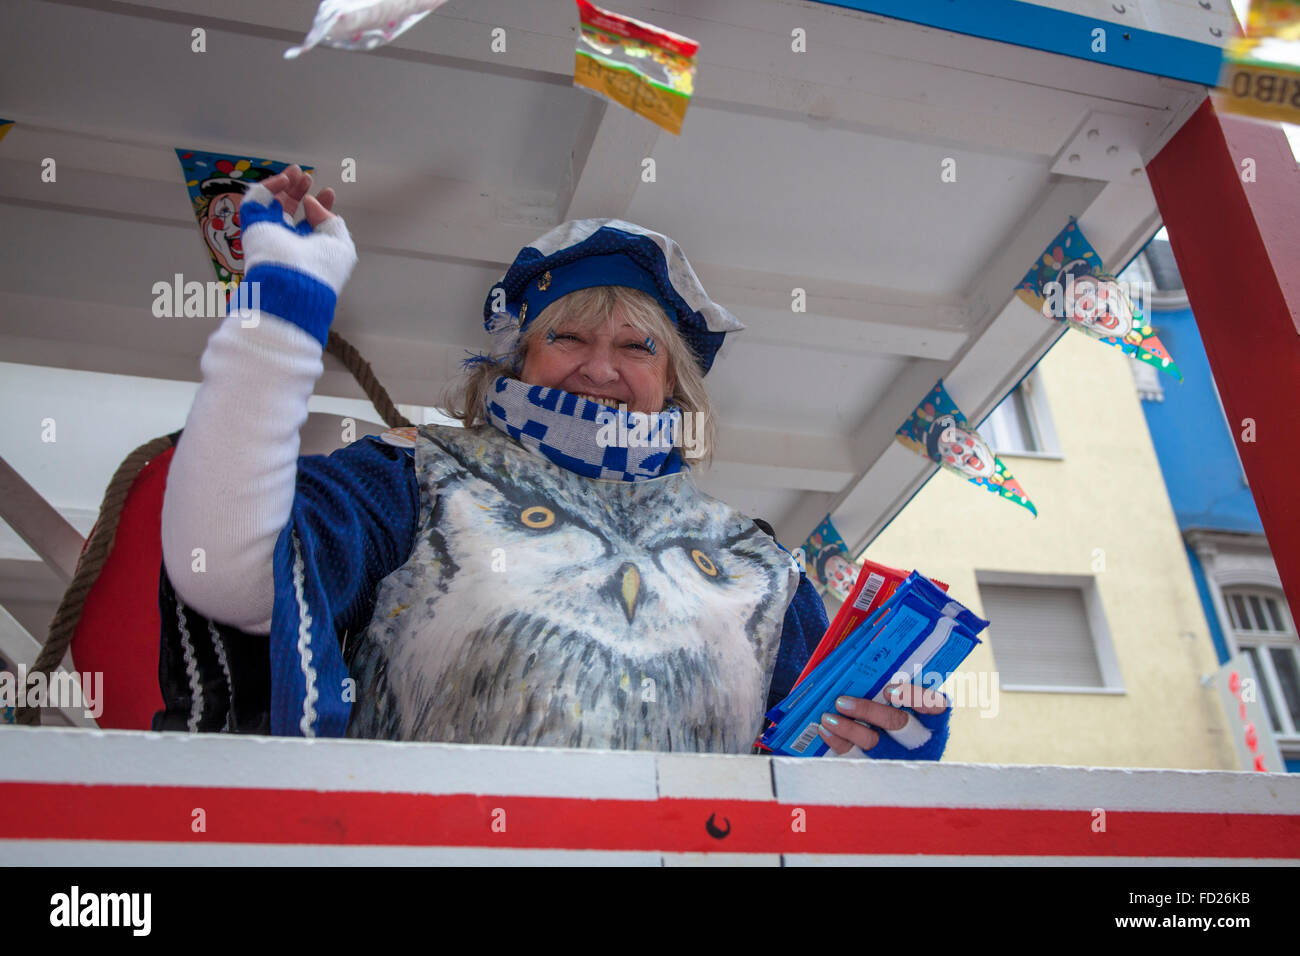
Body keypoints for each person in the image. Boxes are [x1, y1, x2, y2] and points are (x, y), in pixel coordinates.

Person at [158, 165, 951, 758]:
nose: (601, 368)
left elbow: (820, 768)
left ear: (674, 378)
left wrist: (890, 742)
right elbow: (224, 571)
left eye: (638, 346)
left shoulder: (759, 564)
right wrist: (284, 311)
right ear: (513, 360)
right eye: (567, 337)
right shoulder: (411, 478)